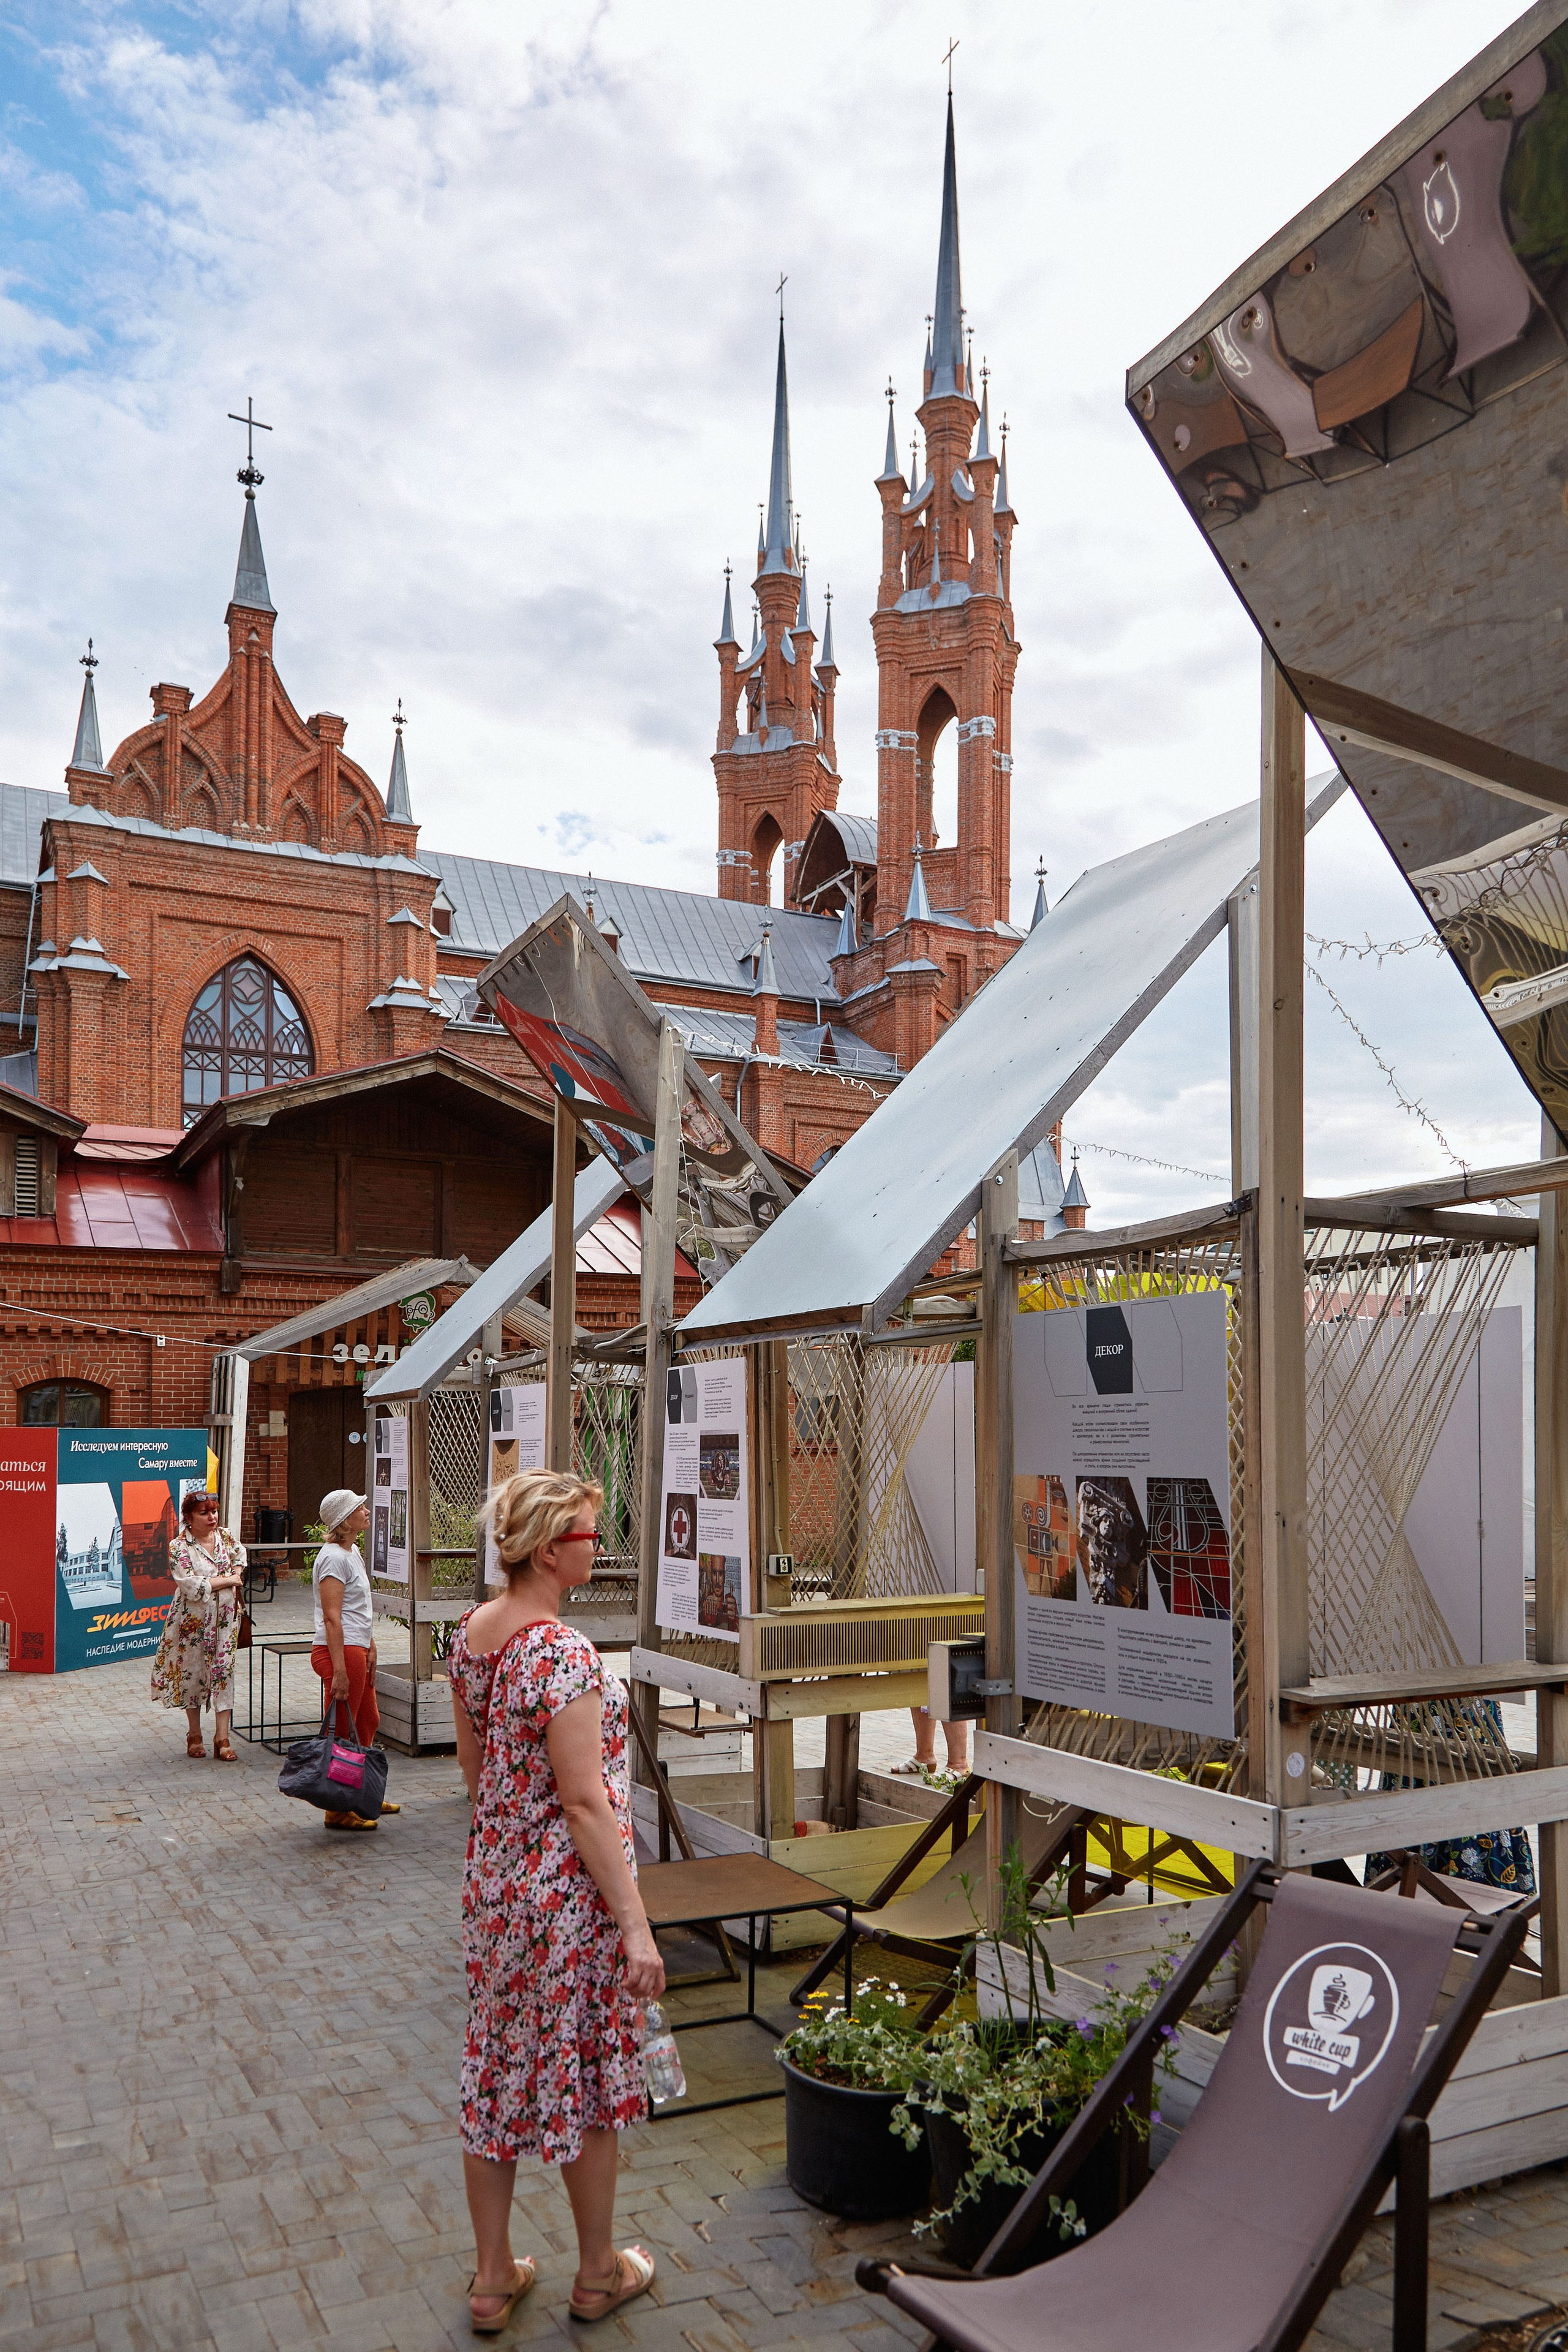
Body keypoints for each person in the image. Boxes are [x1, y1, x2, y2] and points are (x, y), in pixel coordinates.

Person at [449, 1468, 662, 2335]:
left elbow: (476, 1776)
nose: (598, 1543)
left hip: (497, 1888)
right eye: (586, 1532)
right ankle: (597, 2273)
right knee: (589, 2075)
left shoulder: (473, 1635)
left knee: (496, 2067)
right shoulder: (563, 1652)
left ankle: (494, 2279)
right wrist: (636, 1925)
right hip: (567, 1901)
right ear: (548, 1550)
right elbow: (585, 1802)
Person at [310, 1487, 398, 1832]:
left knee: (368, 1720)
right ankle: (337, 1808)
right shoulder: (333, 1557)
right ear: (344, 1522)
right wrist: (341, 1672)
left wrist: (371, 1643)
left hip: (356, 1647)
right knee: (345, 1730)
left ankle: (362, 1794)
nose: (365, 1510)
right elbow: (333, 1617)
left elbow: (358, 1609)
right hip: (341, 1651)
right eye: (358, 1507)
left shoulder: (352, 1551)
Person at [149, 1491, 247, 1760]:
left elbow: (240, 1555)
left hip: (226, 1619)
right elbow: (191, 1585)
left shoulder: (225, 1537)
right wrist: (228, 1581)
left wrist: (236, 1574)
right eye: (205, 1513)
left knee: (224, 1671)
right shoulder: (178, 1547)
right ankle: (194, 1734)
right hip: (191, 1622)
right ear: (189, 1518)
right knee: (193, 1672)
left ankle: (222, 1738)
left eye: (214, 1511)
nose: (212, 1517)